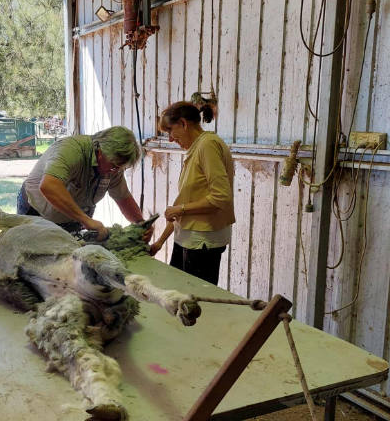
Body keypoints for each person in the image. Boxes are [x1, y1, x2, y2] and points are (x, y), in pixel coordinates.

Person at [150, 101, 235, 285]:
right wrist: (159, 242)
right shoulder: (198, 147)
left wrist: (179, 209)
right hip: (190, 239)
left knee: (192, 297)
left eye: (170, 131)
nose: (171, 139)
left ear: (183, 123)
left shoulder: (208, 145)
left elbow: (220, 197)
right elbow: (185, 206)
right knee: (177, 292)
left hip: (202, 242)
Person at [18, 126, 151, 241]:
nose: (115, 171)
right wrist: (86, 220)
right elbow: (49, 186)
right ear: (101, 152)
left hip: (72, 219)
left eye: (120, 168)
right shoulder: (71, 150)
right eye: (113, 166)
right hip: (36, 211)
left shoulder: (114, 168)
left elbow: (123, 198)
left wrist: (140, 224)